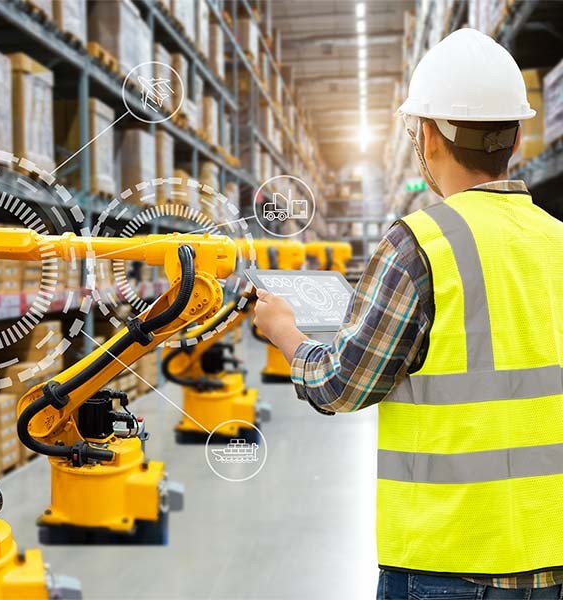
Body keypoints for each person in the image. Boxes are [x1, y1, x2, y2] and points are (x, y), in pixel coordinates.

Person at [254, 28, 563, 599]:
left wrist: (285, 332)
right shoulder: (558, 240)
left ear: (427, 137)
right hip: (551, 554)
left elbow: (340, 384)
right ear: (516, 136)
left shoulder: (419, 245)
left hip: (447, 556)